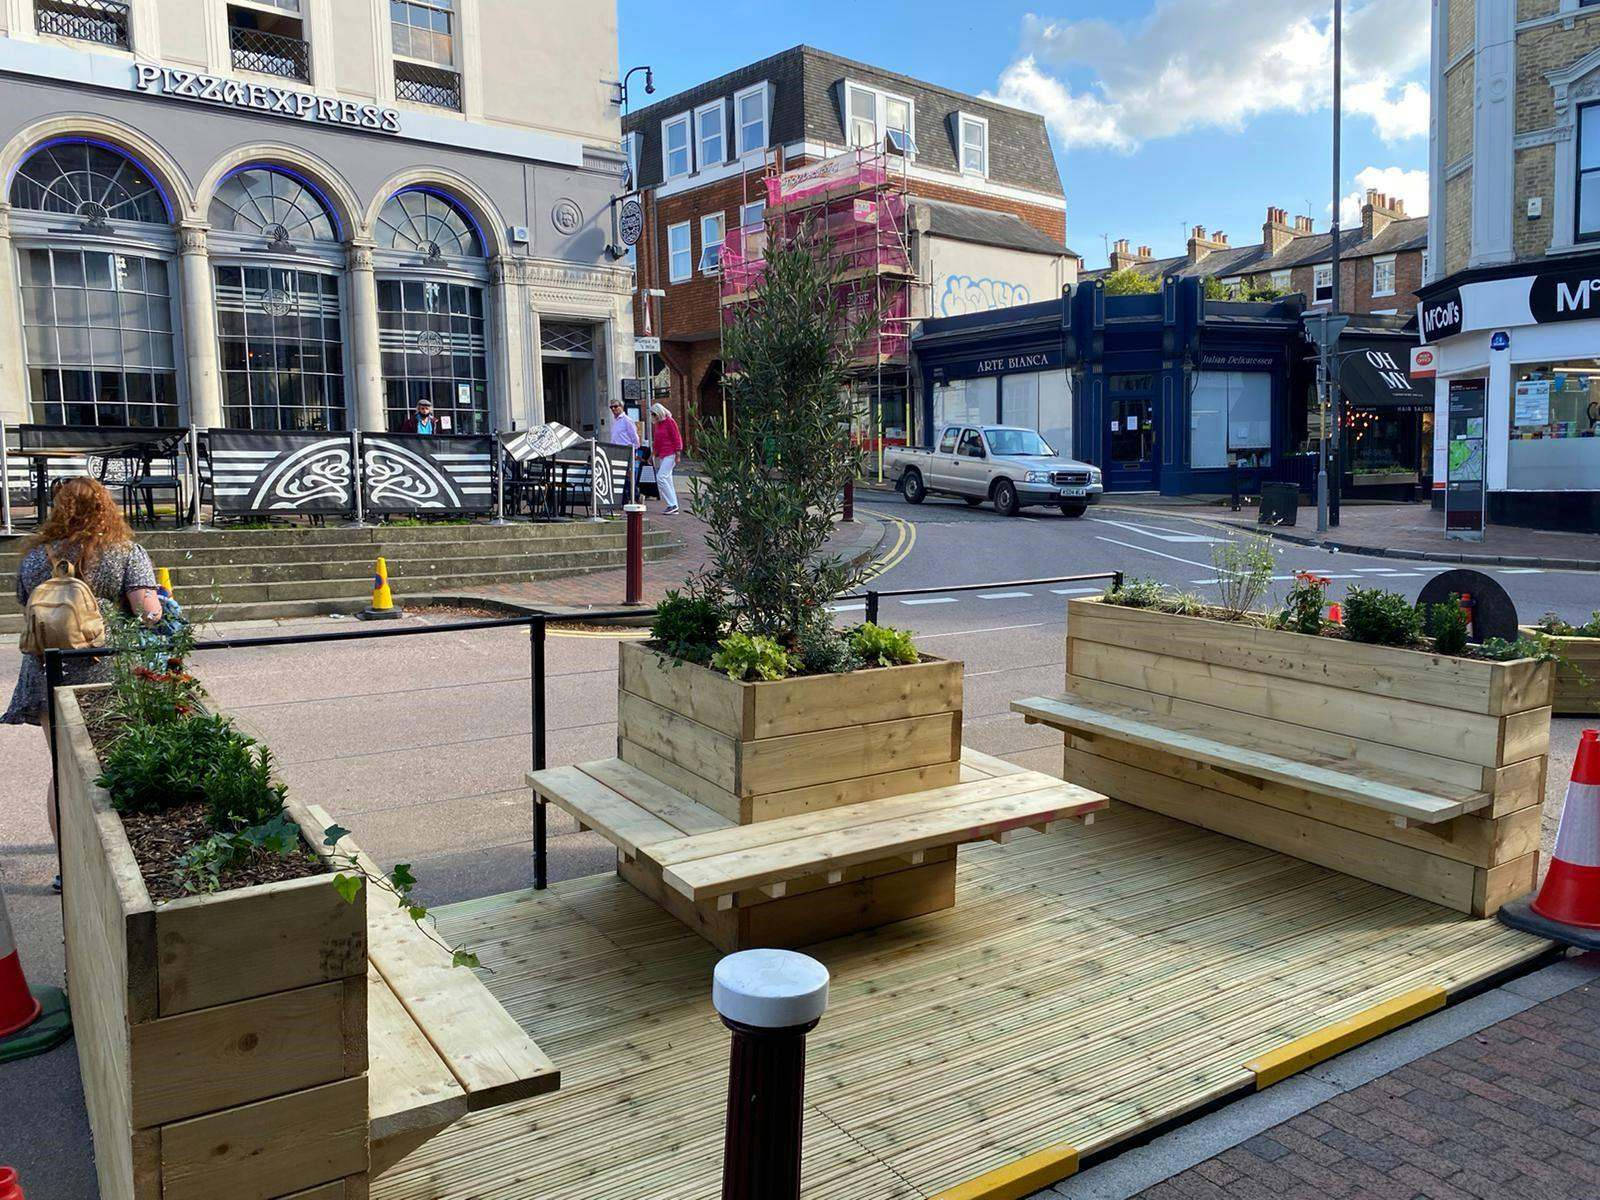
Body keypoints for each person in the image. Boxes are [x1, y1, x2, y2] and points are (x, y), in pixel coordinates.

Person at [4, 477, 161, 887]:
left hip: (45, 672)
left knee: (65, 771)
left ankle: (68, 869)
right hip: (103, 671)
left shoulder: (35, 557)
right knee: (111, 766)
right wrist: (158, 607)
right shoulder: (124, 551)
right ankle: (115, 864)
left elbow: (28, 608)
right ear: (105, 507)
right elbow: (148, 612)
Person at [650, 402, 683, 515]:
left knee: (661, 477)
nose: (653, 416)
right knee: (668, 479)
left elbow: (676, 437)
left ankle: (672, 504)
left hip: (671, 453)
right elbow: (657, 441)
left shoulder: (670, 422)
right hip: (663, 454)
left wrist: (678, 454)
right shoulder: (658, 424)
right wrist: (653, 454)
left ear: (659, 412)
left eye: (654, 414)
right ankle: (674, 505)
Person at [608, 399, 640, 503]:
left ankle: (634, 496)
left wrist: (634, 450)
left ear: (621, 407)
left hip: (626, 451)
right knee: (620, 475)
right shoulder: (616, 422)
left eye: (615, 406)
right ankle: (624, 499)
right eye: (611, 407)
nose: (613, 409)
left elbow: (634, 437)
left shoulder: (627, 420)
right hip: (617, 451)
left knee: (627, 475)